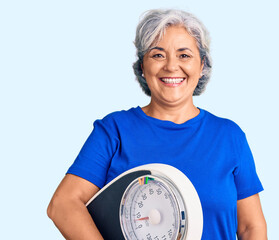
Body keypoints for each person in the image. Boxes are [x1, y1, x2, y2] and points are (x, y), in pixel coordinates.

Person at [47, 9, 267, 240]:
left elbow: (250, 228)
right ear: (142, 66)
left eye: (184, 55)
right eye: (158, 55)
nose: (171, 66)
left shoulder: (229, 136)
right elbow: (63, 204)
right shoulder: (114, 131)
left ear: (201, 66)